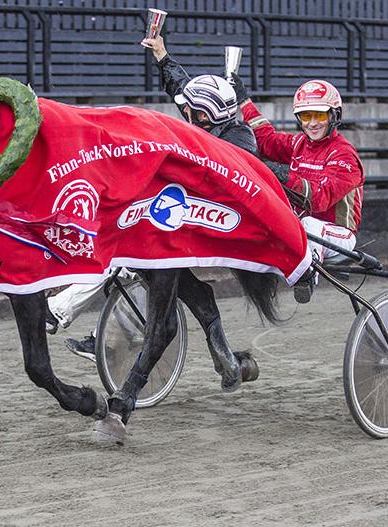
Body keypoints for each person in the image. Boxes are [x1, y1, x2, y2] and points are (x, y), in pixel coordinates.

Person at [50, 34, 260, 361]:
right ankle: (100, 336)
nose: (189, 120)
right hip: (179, 212)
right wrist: (162, 55)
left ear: (216, 116)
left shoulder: (240, 141)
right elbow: (183, 89)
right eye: (189, 113)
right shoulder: (205, 121)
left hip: (210, 222)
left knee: (129, 254)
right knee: (132, 256)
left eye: (198, 116)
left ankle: (66, 315)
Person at [231, 74, 365, 303]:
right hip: (303, 230)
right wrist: (244, 101)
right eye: (305, 115)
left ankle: (307, 275)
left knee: (308, 224)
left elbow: (320, 199)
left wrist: (282, 174)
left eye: (320, 115)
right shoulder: (298, 144)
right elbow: (266, 139)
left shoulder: (345, 156)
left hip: (338, 234)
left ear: (335, 115)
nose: (312, 123)